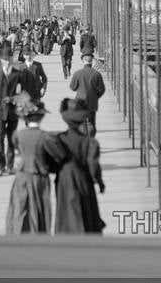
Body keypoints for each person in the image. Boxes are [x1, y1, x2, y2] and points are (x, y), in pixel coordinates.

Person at [4, 94, 66, 234]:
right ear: (41, 117)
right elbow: (59, 155)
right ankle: (38, 232)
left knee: (20, 207)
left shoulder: (18, 135)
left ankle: (18, 231)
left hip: (21, 177)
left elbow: (17, 147)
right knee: (38, 208)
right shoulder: (45, 137)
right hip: (39, 177)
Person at [54, 98, 106, 234]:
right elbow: (93, 165)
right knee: (86, 209)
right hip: (83, 180)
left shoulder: (59, 139)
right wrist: (99, 181)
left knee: (66, 209)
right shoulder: (90, 142)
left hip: (64, 181)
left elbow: (52, 161)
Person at [0, 46, 25, 175]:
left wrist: (13, 99)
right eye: (4, 60)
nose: (7, 62)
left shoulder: (17, 74)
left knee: (11, 139)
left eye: (9, 59)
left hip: (12, 110)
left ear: (12, 59)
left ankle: (10, 166)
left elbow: (21, 92)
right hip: (0, 109)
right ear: (1, 60)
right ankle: (1, 165)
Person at [69, 54, 106, 136]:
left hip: (80, 101)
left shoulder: (78, 73)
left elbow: (72, 87)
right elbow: (102, 89)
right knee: (92, 122)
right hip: (92, 102)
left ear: (83, 61)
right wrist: (96, 96)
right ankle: (91, 139)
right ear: (92, 62)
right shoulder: (96, 74)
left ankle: (83, 138)